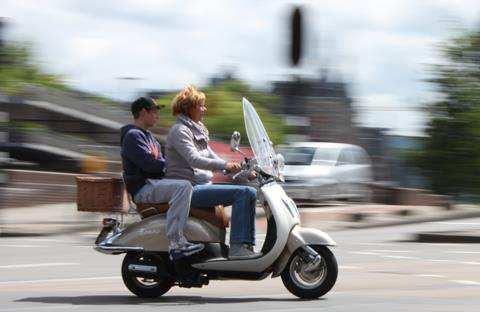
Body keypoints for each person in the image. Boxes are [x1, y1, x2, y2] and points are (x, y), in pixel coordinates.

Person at [165, 86, 260, 260]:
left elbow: (212, 157)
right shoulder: (180, 131)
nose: (204, 109)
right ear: (190, 108)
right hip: (190, 189)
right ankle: (237, 248)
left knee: (250, 192)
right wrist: (226, 165)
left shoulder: (197, 130)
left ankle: (246, 245)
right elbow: (194, 160)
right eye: (201, 105)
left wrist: (243, 171)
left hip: (203, 185)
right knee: (244, 193)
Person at [120, 97, 204, 260]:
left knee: (190, 183)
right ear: (143, 112)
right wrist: (167, 166)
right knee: (183, 187)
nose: (157, 115)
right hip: (143, 188)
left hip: (154, 183)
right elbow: (150, 165)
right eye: (155, 111)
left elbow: (162, 163)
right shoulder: (132, 136)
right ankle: (176, 243)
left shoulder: (149, 137)